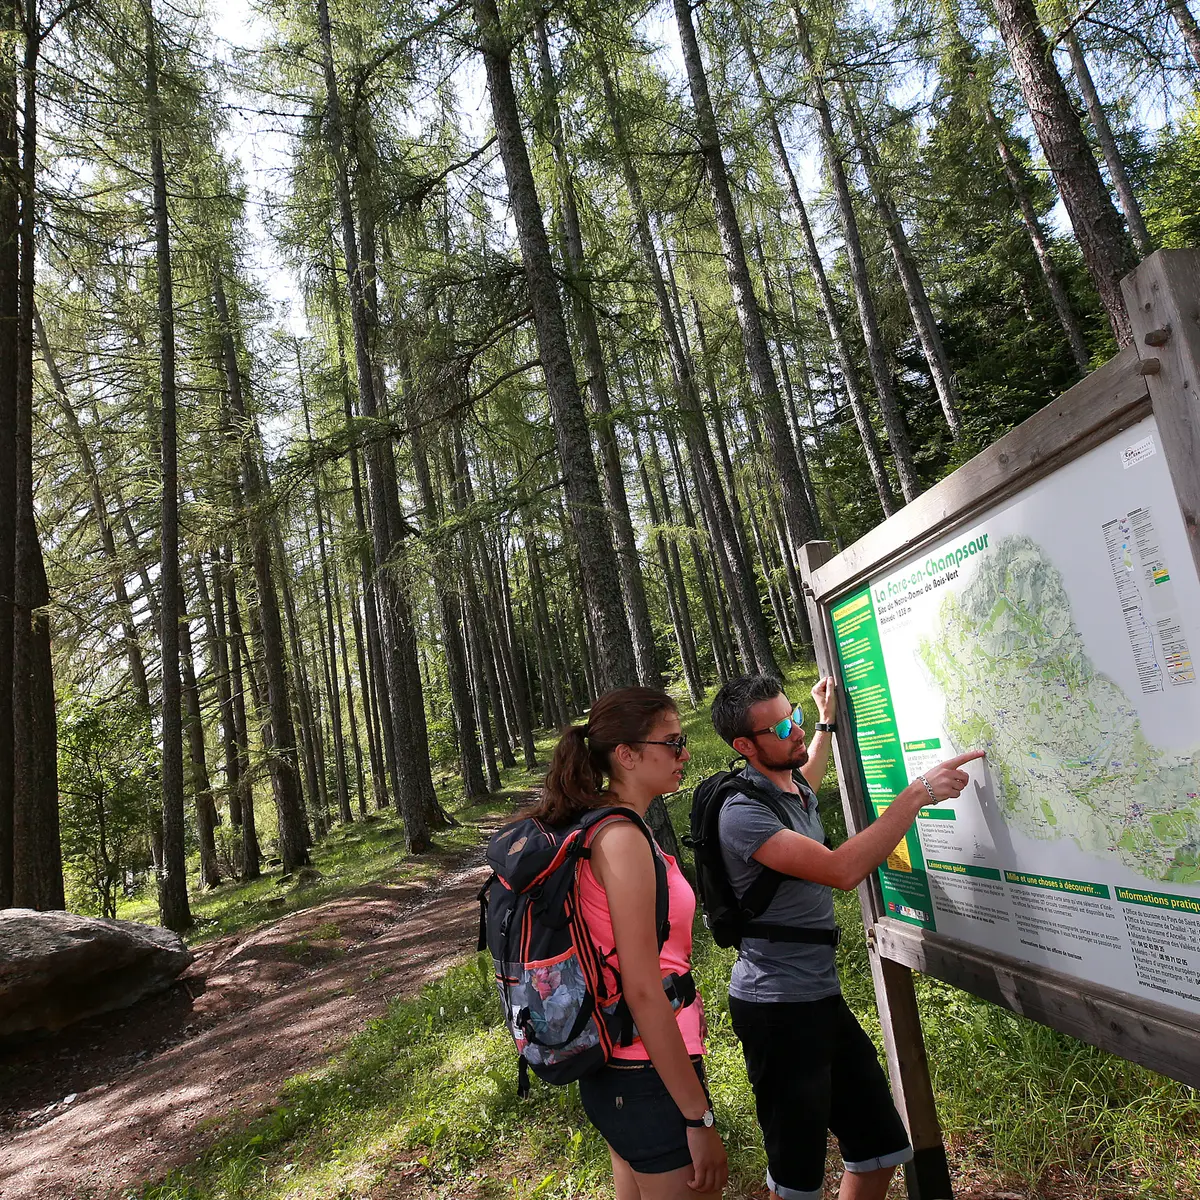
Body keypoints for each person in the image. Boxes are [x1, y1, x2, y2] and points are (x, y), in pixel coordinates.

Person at [710, 673, 983, 1200]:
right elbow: (840, 869)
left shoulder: (789, 785)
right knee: (797, 1179)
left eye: (792, 716)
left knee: (880, 1148)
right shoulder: (741, 814)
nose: (793, 731)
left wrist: (824, 721)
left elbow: (807, 767)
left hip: (819, 999)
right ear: (745, 746)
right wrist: (917, 794)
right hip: (777, 1012)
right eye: (780, 726)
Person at [529, 686, 727, 1200]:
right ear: (627, 755)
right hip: (648, 1072)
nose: (684, 753)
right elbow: (643, 990)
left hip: (621, 1067)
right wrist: (697, 1116)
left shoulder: (608, 828)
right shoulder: (621, 840)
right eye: (672, 741)